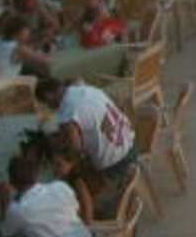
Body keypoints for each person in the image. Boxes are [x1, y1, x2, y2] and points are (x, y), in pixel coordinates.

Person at [36, 77, 137, 216]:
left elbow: (75, 149)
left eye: (46, 104)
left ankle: (92, 213)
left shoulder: (68, 111)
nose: (49, 108)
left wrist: (67, 164)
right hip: (130, 147)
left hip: (114, 166)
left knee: (73, 187)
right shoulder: (88, 90)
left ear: (49, 97)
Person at [0, 17, 50, 81]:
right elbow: (44, 61)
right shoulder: (18, 48)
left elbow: (30, 51)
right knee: (39, 76)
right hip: (5, 83)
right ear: (20, 31)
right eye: (27, 31)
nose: (28, 34)